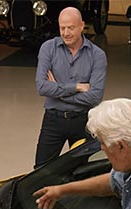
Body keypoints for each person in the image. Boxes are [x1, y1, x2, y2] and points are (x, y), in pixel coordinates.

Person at [34, 6, 107, 169]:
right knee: (41, 170)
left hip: (85, 121)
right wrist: (77, 87)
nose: (66, 33)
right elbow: (41, 87)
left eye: (71, 28)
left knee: (85, 170)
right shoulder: (48, 48)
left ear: (82, 26)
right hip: (53, 120)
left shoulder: (97, 55)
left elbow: (95, 97)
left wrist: (58, 92)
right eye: (62, 28)